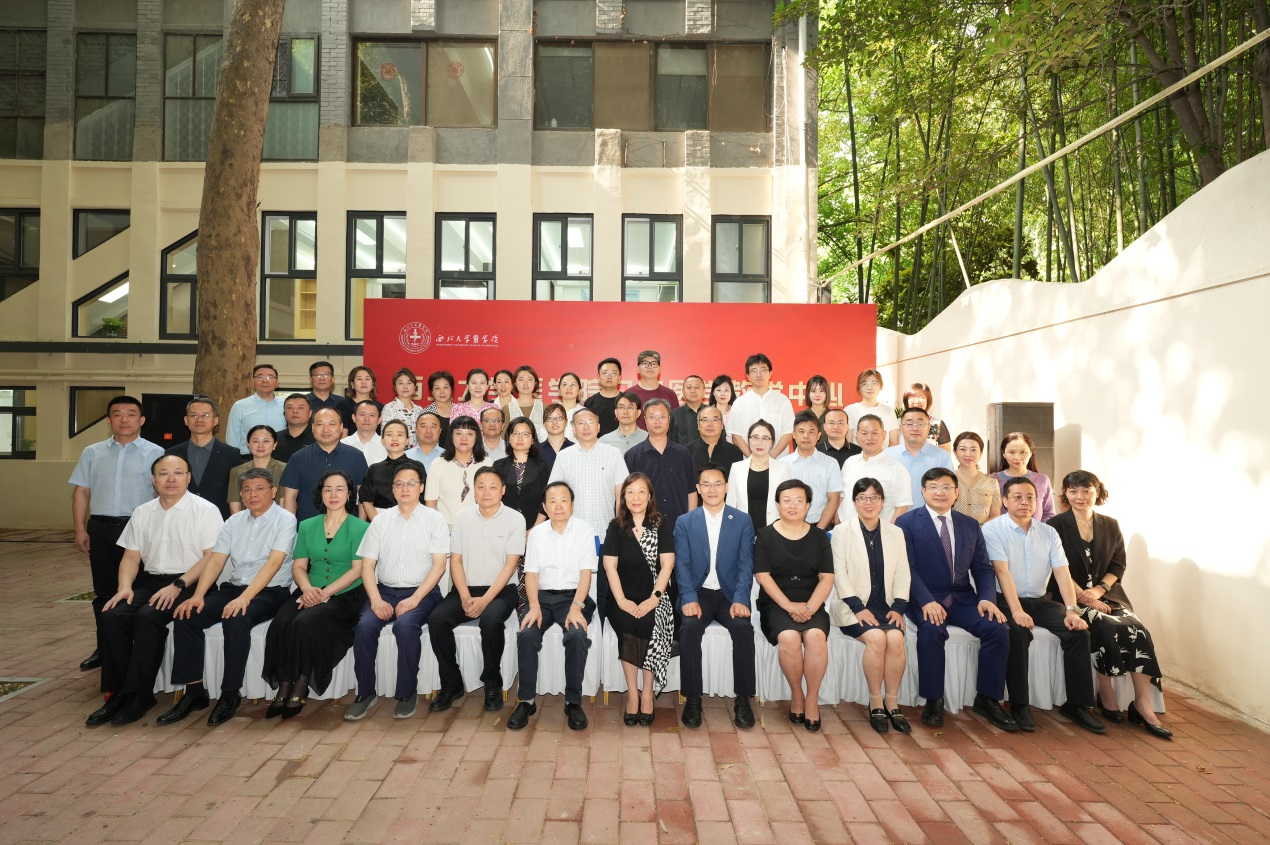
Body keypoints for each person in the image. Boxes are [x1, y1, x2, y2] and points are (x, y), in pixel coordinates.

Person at [85, 454, 223, 727]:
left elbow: (211, 557)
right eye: (163, 473)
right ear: (153, 479)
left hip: (191, 582)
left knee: (148, 617)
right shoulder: (142, 512)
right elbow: (131, 557)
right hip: (149, 582)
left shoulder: (205, 510)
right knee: (112, 615)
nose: (171, 479)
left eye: (178, 473)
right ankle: (117, 693)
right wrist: (124, 587)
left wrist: (178, 585)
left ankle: (140, 694)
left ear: (188, 477)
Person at [157, 468, 297, 727]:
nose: (253, 494)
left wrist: (245, 598)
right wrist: (198, 595)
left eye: (260, 488)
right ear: (241, 495)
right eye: (247, 490)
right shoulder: (233, 522)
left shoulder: (285, 520)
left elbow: (274, 564)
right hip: (234, 588)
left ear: (273, 491)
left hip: (271, 592)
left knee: (236, 618)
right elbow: (216, 560)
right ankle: (194, 692)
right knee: (187, 615)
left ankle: (230, 694)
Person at [1049, 470, 1170, 739]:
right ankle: (1106, 695)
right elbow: (1057, 566)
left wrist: (1098, 590)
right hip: (1070, 595)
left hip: (1108, 595)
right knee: (1103, 626)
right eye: (1073, 491)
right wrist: (1084, 596)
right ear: (1065, 494)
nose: (1080, 497)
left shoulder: (1111, 524)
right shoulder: (1055, 525)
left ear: (1097, 493)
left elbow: (1118, 565)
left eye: (1086, 491)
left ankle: (1142, 703)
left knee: (1138, 629)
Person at [896, 468, 1015, 731]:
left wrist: (987, 598)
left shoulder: (969, 525)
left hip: (962, 598)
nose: (940, 492)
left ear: (956, 492)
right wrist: (926, 601)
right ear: (923, 491)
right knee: (932, 630)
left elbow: (982, 568)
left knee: (997, 629)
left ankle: (988, 698)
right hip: (924, 598)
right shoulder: (906, 523)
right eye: (933, 487)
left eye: (946, 487)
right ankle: (933, 700)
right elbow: (906, 568)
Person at [985, 476, 1104, 735]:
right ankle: (1019, 704)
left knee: (1078, 633)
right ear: (1005, 501)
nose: (1025, 502)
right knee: (1017, 633)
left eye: (1030, 497)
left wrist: (1071, 611)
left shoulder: (1048, 532)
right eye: (1017, 497)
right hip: (1005, 600)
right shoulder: (992, 529)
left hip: (1040, 601)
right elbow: (1002, 572)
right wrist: (1016, 611)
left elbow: (1062, 572)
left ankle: (1077, 705)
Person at [344, 463, 449, 721]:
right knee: (364, 627)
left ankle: (406, 693)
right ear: (392, 489)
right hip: (385, 592)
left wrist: (415, 599)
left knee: (405, 626)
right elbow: (367, 566)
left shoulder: (434, 519)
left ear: (421, 488)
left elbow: (439, 565)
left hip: (422, 592)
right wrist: (375, 600)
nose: (405, 488)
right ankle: (365, 693)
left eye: (411, 483)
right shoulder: (380, 521)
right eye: (399, 484)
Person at [261, 470, 368, 719]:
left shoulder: (360, 527)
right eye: (327, 489)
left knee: (305, 622)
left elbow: (357, 570)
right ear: (320, 494)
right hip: (309, 589)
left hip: (345, 594)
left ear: (349, 494)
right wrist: (308, 589)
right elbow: (299, 566)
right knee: (281, 622)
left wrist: (324, 594)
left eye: (340, 489)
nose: (333, 494)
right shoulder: (307, 525)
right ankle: (284, 685)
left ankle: (301, 684)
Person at [69, 395, 165, 671]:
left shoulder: (156, 452)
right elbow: (82, 492)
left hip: (138, 529)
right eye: (117, 414)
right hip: (100, 528)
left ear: (142, 420)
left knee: (139, 589)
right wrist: (80, 528)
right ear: (109, 420)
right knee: (104, 591)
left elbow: (163, 494)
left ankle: (135, 646)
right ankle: (105, 647)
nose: (124, 419)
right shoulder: (92, 452)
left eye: (131, 414)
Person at [428, 467, 526, 713]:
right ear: (474, 490)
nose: (486, 492)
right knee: (437, 619)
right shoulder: (463, 517)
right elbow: (456, 560)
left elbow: (510, 565)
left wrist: (484, 601)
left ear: (503, 491)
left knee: (490, 620)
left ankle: (492, 682)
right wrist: (464, 596)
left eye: (493, 487)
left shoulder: (515, 519)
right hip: (466, 587)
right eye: (481, 487)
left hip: (501, 590)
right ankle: (451, 684)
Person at [508, 481, 597, 732]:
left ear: (572, 504)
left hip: (573, 598)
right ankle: (526, 700)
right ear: (545, 507)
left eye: (564, 500)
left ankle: (573, 701)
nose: (559, 506)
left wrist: (577, 607)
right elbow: (531, 574)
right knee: (527, 634)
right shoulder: (537, 533)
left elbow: (586, 573)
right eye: (553, 501)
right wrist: (534, 606)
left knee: (577, 635)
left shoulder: (584, 530)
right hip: (541, 598)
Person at [673, 463, 757, 729]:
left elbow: (746, 563)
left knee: (743, 629)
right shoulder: (685, 522)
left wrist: (741, 598)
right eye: (706, 485)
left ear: (726, 487)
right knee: (689, 628)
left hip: (729, 595)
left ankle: (743, 698)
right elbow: (682, 565)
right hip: (698, 594)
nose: (712, 489)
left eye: (717, 484)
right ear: (698, 489)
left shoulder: (741, 520)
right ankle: (693, 698)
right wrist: (688, 598)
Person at [831, 477, 911, 733]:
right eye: (862, 497)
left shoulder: (895, 532)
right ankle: (875, 701)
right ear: (854, 502)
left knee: (896, 639)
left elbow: (903, 573)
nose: (869, 502)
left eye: (874, 497)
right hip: (852, 606)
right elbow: (839, 574)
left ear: (882, 501)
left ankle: (892, 702)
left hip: (886, 606)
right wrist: (858, 608)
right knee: (876, 638)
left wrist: (898, 607)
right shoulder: (842, 532)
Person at [753, 480, 834, 731]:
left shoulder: (819, 537)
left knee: (815, 636)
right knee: (788, 637)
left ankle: (812, 699)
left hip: (811, 601)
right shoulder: (765, 535)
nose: (792, 505)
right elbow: (762, 576)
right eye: (786, 500)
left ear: (808, 505)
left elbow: (826, 578)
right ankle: (797, 694)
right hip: (776, 601)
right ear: (777, 505)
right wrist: (789, 606)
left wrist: (809, 608)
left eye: (799, 501)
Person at [603, 473, 676, 726]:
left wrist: (655, 598)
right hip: (621, 596)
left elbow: (667, 565)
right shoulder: (615, 526)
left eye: (641, 491)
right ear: (623, 497)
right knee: (627, 624)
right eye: (630, 491)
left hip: (654, 594)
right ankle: (632, 693)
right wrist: (622, 601)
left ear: (650, 496)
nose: (636, 497)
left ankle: (647, 692)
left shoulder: (661, 524)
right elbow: (610, 567)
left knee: (650, 623)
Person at [547, 408, 627, 619]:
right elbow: (554, 493)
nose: (585, 427)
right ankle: (576, 627)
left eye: (590, 422)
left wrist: (619, 529)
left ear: (598, 427)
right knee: (575, 589)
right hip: (571, 535)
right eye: (580, 423)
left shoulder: (613, 454)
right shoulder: (564, 456)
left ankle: (601, 632)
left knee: (603, 590)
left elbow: (621, 495)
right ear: (573, 429)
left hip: (605, 533)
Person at [280, 408, 368, 522]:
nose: (326, 429)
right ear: (313, 427)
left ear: (341, 427)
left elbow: (364, 496)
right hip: (308, 527)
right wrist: (289, 528)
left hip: (348, 527)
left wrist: (361, 526)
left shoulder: (356, 456)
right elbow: (290, 498)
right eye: (320, 424)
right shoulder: (298, 458)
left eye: (332, 424)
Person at [162, 396, 241, 521]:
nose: (199, 419)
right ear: (186, 420)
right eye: (194, 415)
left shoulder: (231, 454)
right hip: (179, 520)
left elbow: (236, 493)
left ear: (215, 420)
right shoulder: (172, 454)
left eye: (205, 415)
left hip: (219, 520)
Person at [624, 399, 697, 522]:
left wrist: (690, 523)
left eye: (662, 416)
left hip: (678, 525)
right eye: (652, 417)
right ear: (645, 420)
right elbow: (626, 495)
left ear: (669, 419)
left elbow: (692, 491)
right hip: (644, 526)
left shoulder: (683, 453)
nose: (657, 421)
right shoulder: (633, 456)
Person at [837, 415, 912, 526]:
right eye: (864, 433)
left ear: (884, 435)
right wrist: (838, 525)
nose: (869, 438)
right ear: (857, 435)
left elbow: (902, 508)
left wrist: (889, 533)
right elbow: (843, 497)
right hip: (846, 531)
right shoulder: (849, 462)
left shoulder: (897, 469)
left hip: (879, 533)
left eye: (875, 433)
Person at [424, 416, 494, 529]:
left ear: (477, 437)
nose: (464, 438)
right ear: (451, 436)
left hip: (480, 527)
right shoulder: (438, 464)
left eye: (469, 434)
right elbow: (430, 504)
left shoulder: (487, 463)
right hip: (445, 529)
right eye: (458, 433)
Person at [725, 420, 792, 534]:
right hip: (743, 531)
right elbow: (730, 505)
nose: (759, 443)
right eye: (755, 437)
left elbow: (786, 503)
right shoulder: (737, 468)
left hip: (773, 531)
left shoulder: (782, 468)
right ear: (749, 440)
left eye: (765, 438)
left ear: (772, 442)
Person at [782, 410, 844, 530]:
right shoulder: (782, 464)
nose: (806, 436)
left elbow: (834, 499)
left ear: (819, 435)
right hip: (789, 527)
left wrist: (819, 531)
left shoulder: (830, 463)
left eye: (811, 432)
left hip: (822, 526)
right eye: (801, 431)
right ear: (793, 435)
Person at [886, 406, 956, 505]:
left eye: (920, 424)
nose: (915, 428)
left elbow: (948, 490)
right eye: (909, 424)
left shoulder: (942, 456)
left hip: (929, 514)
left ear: (928, 428)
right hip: (894, 513)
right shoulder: (888, 455)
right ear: (901, 428)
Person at [730, 353, 794, 456]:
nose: (758, 374)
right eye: (754, 370)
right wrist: (753, 459)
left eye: (763, 370)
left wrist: (771, 458)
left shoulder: (783, 401)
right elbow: (736, 436)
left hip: (778, 460)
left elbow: (788, 433)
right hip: (749, 461)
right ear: (748, 376)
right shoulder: (739, 403)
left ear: (770, 374)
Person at [492, 418, 550, 532]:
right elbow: (494, 498)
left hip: (535, 526)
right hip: (503, 525)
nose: (520, 438)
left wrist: (535, 528)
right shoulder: (499, 465)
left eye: (525, 434)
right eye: (516, 433)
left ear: (532, 439)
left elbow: (546, 498)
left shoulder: (542, 465)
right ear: (509, 438)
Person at [360, 421, 424, 521]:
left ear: (407, 440)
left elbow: (423, 499)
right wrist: (378, 523)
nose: (394, 438)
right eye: (389, 435)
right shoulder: (373, 469)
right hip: (378, 520)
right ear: (382, 440)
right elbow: (366, 500)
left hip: (412, 520)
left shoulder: (417, 467)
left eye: (400, 435)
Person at [994, 432, 1057, 522]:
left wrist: (1039, 529)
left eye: (1023, 452)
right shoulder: (993, 480)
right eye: (1011, 452)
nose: (1017, 457)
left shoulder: (1042, 480)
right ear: (1004, 454)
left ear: (1031, 453)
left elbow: (1049, 515)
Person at [226, 364, 286, 455]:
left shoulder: (286, 406)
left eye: (270, 377)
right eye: (260, 377)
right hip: (247, 459)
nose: (265, 380)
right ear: (253, 382)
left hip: (280, 458)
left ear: (277, 382)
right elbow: (232, 439)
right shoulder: (240, 406)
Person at [228, 425, 287, 512]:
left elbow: (284, 502)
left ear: (274, 445)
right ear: (248, 444)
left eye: (266, 441)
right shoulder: (237, 471)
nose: (260, 445)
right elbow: (235, 505)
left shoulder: (284, 469)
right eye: (256, 441)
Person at [951, 432, 1001, 525]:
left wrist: (979, 530)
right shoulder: (948, 480)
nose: (968, 454)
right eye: (963, 449)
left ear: (981, 453)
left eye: (973, 450)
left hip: (984, 532)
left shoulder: (991, 482)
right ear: (955, 453)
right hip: (954, 531)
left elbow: (996, 515)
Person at [888, 383, 951, 451]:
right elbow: (892, 449)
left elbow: (945, 453)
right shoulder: (896, 424)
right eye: (913, 397)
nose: (917, 401)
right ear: (906, 401)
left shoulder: (937, 424)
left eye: (922, 397)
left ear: (928, 401)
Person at [688, 404, 743, 481]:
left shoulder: (735, 452)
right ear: (698, 425)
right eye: (705, 420)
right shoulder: (686, 451)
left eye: (715, 420)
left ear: (722, 425)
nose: (710, 424)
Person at [628, 350, 679, 430]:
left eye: (654, 364)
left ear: (659, 369)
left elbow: (675, 424)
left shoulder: (670, 394)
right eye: (645, 363)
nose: (650, 367)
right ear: (638, 369)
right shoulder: (629, 394)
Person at [845, 369, 897, 444]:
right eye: (864, 383)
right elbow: (849, 443)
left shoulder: (889, 411)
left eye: (874, 383)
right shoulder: (850, 410)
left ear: (880, 386)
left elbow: (893, 443)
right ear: (859, 388)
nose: (869, 387)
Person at [381, 367, 424, 449]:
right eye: (401, 383)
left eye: (409, 383)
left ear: (415, 387)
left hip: (417, 454)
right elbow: (386, 436)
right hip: (397, 453)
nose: (405, 387)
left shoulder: (420, 410)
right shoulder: (389, 408)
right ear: (395, 387)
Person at [583, 357, 624, 436]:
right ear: (598, 378)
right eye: (605, 373)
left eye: (613, 373)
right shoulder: (589, 402)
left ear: (620, 378)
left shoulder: (627, 401)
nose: (609, 377)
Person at [341, 400, 387, 465]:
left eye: (372, 415)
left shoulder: (386, 445)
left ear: (379, 420)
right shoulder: (342, 445)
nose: (366, 419)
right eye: (362, 415)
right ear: (354, 418)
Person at [338, 365, 380, 434]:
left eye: (367, 379)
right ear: (352, 384)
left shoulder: (380, 407)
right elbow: (343, 434)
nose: (364, 382)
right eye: (359, 379)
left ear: (373, 384)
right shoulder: (343, 406)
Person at [507, 365, 546, 439]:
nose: (525, 383)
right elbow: (505, 437)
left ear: (535, 383)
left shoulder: (544, 408)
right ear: (515, 383)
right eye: (521, 380)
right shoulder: (507, 408)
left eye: (529, 379)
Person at [274, 394, 315, 462]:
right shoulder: (274, 439)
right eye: (290, 408)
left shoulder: (318, 438)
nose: (295, 411)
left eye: (300, 408)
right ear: (284, 413)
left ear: (310, 413)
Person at [420, 371, 456, 446]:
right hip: (434, 452)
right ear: (432, 392)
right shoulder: (426, 413)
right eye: (437, 388)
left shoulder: (460, 411)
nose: (442, 392)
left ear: (451, 390)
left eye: (445, 387)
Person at [668, 374, 706, 446]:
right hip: (682, 453)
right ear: (683, 392)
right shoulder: (674, 415)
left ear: (704, 391)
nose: (693, 391)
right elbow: (671, 442)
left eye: (697, 387)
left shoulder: (713, 412)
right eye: (689, 387)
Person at [305, 361, 344, 430]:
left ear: (332, 379)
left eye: (326, 374)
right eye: (317, 375)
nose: (322, 378)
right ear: (310, 379)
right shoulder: (303, 402)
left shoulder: (343, 402)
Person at [538, 402, 575, 467]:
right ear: (544, 424)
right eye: (550, 418)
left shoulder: (575, 449)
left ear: (566, 422)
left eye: (559, 418)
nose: (554, 422)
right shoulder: (537, 450)